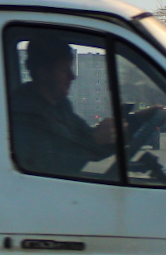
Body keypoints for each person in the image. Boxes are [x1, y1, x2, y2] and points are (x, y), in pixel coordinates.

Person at [9, 35, 120, 177]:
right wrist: (96, 139)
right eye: (64, 70)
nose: (72, 76)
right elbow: (51, 167)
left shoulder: (60, 105)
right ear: (43, 73)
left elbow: (88, 141)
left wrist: (133, 122)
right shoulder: (24, 113)